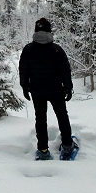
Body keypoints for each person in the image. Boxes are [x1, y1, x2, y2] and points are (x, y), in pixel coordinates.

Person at [18, 17, 77, 160]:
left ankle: (43, 150)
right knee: (62, 116)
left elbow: (23, 70)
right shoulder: (56, 50)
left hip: (37, 91)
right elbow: (65, 70)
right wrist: (68, 88)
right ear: (49, 31)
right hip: (56, 90)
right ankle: (67, 146)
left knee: (40, 119)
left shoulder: (28, 50)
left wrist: (25, 86)